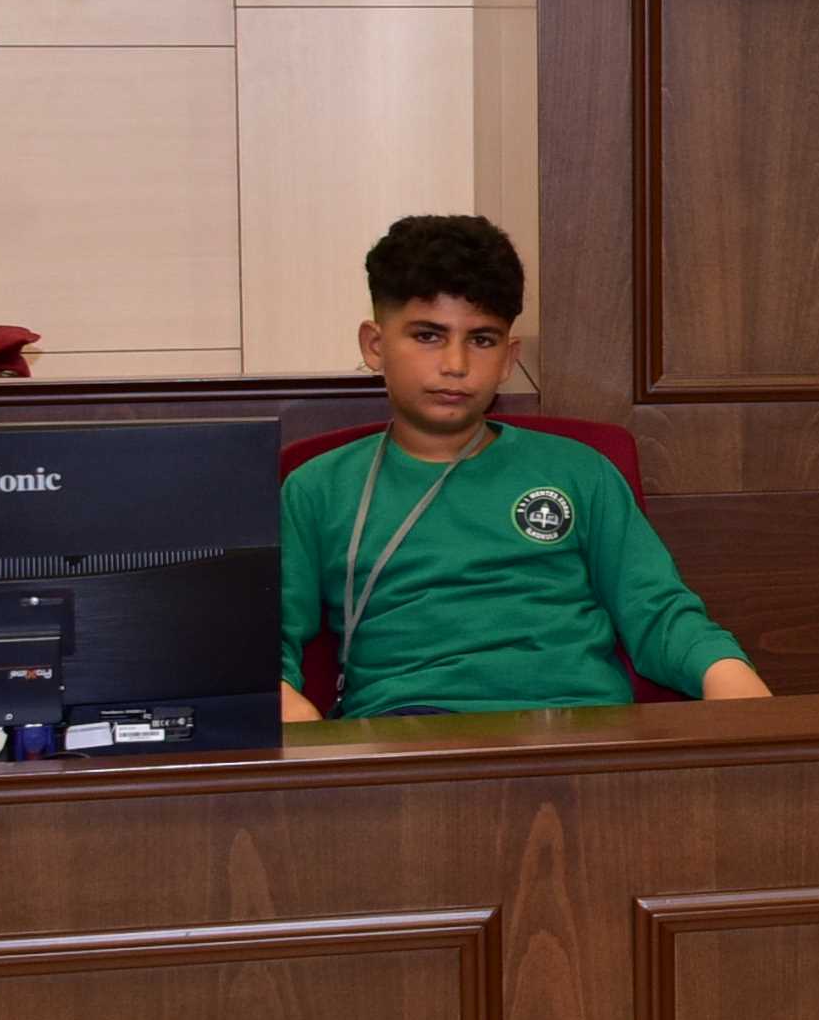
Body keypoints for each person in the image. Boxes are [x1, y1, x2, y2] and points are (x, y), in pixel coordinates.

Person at [280, 214, 770, 721]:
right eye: (428, 336)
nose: (455, 364)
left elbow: (660, 615)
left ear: (509, 358)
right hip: (410, 731)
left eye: (482, 340)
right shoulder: (316, 489)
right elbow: (264, 646)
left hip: (581, 724)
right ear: (375, 346)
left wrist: (733, 682)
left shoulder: (580, 471)